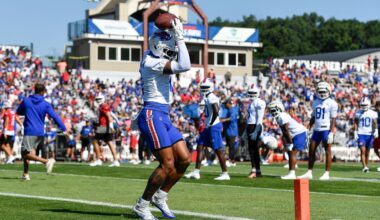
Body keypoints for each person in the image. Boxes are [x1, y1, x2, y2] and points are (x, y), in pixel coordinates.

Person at [132, 18, 192, 220]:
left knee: (184, 159)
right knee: (167, 164)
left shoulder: (154, 53)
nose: (171, 50)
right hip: (152, 114)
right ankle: (142, 205)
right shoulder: (151, 61)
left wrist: (176, 33)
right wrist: (181, 38)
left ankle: (161, 195)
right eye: (168, 47)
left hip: (163, 114)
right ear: (158, 47)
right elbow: (185, 65)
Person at [15, 83, 67, 180]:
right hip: (40, 132)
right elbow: (55, 116)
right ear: (43, 92)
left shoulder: (26, 101)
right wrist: (63, 128)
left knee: (24, 154)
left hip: (29, 131)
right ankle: (25, 174)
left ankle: (46, 161)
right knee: (27, 153)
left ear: (34, 90)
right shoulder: (46, 104)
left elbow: (19, 112)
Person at [185, 79, 230, 180]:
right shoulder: (206, 97)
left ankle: (225, 173)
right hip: (208, 126)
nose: (203, 89)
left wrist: (211, 122)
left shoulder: (211, 97)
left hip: (213, 126)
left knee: (218, 149)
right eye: (202, 87)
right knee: (200, 147)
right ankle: (196, 171)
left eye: (205, 87)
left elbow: (216, 111)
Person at [298, 81, 338, 180]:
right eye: (320, 91)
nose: (322, 93)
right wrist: (308, 127)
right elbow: (313, 117)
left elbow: (333, 119)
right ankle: (309, 172)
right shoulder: (315, 102)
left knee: (327, 151)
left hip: (326, 129)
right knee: (311, 150)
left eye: (324, 91)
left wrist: (331, 132)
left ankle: (327, 173)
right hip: (316, 130)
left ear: (328, 91)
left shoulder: (332, 103)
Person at [267, 100, 308, 179]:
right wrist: (286, 142)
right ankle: (292, 172)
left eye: (273, 109)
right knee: (290, 153)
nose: (272, 112)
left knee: (292, 153)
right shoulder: (279, 117)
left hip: (299, 133)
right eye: (271, 110)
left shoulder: (282, 116)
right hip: (296, 134)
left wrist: (290, 142)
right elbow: (284, 131)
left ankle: (292, 173)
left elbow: (286, 130)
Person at [89, 94, 120, 167]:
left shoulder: (104, 105)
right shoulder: (103, 106)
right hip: (106, 126)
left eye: (99, 99)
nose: (98, 101)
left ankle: (98, 160)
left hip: (104, 127)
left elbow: (109, 116)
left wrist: (111, 126)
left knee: (95, 141)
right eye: (97, 99)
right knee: (109, 142)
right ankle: (116, 160)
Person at [246, 84, 266, 178]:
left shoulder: (259, 102)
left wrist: (256, 131)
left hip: (255, 126)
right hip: (251, 126)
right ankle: (257, 170)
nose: (251, 94)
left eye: (253, 93)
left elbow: (259, 118)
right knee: (252, 149)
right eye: (250, 92)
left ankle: (255, 170)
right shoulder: (252, 102)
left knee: (253, 150)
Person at [354, 98, 378, 173]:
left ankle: (366, 166)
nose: (364, 106)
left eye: (365, 105)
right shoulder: (358, 113)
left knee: (367, 152)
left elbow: (374, 122)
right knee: (362, 150)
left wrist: (376, 130)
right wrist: (355, 132)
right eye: (363, 105)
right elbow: (355, 123)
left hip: (369, 134)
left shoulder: (373, 113)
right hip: (361, 134)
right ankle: (364, 166)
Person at [220, 98, 238, 167]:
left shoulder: (233, 110)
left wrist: (223, 120)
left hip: (232, 131)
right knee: (229, 146)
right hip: (228, 130)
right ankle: (230, 160)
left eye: (226, 103)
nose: (225, 105)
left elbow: (232, 118)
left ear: (229, 103)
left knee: (231, 146)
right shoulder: (229, 110)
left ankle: (232, 160)